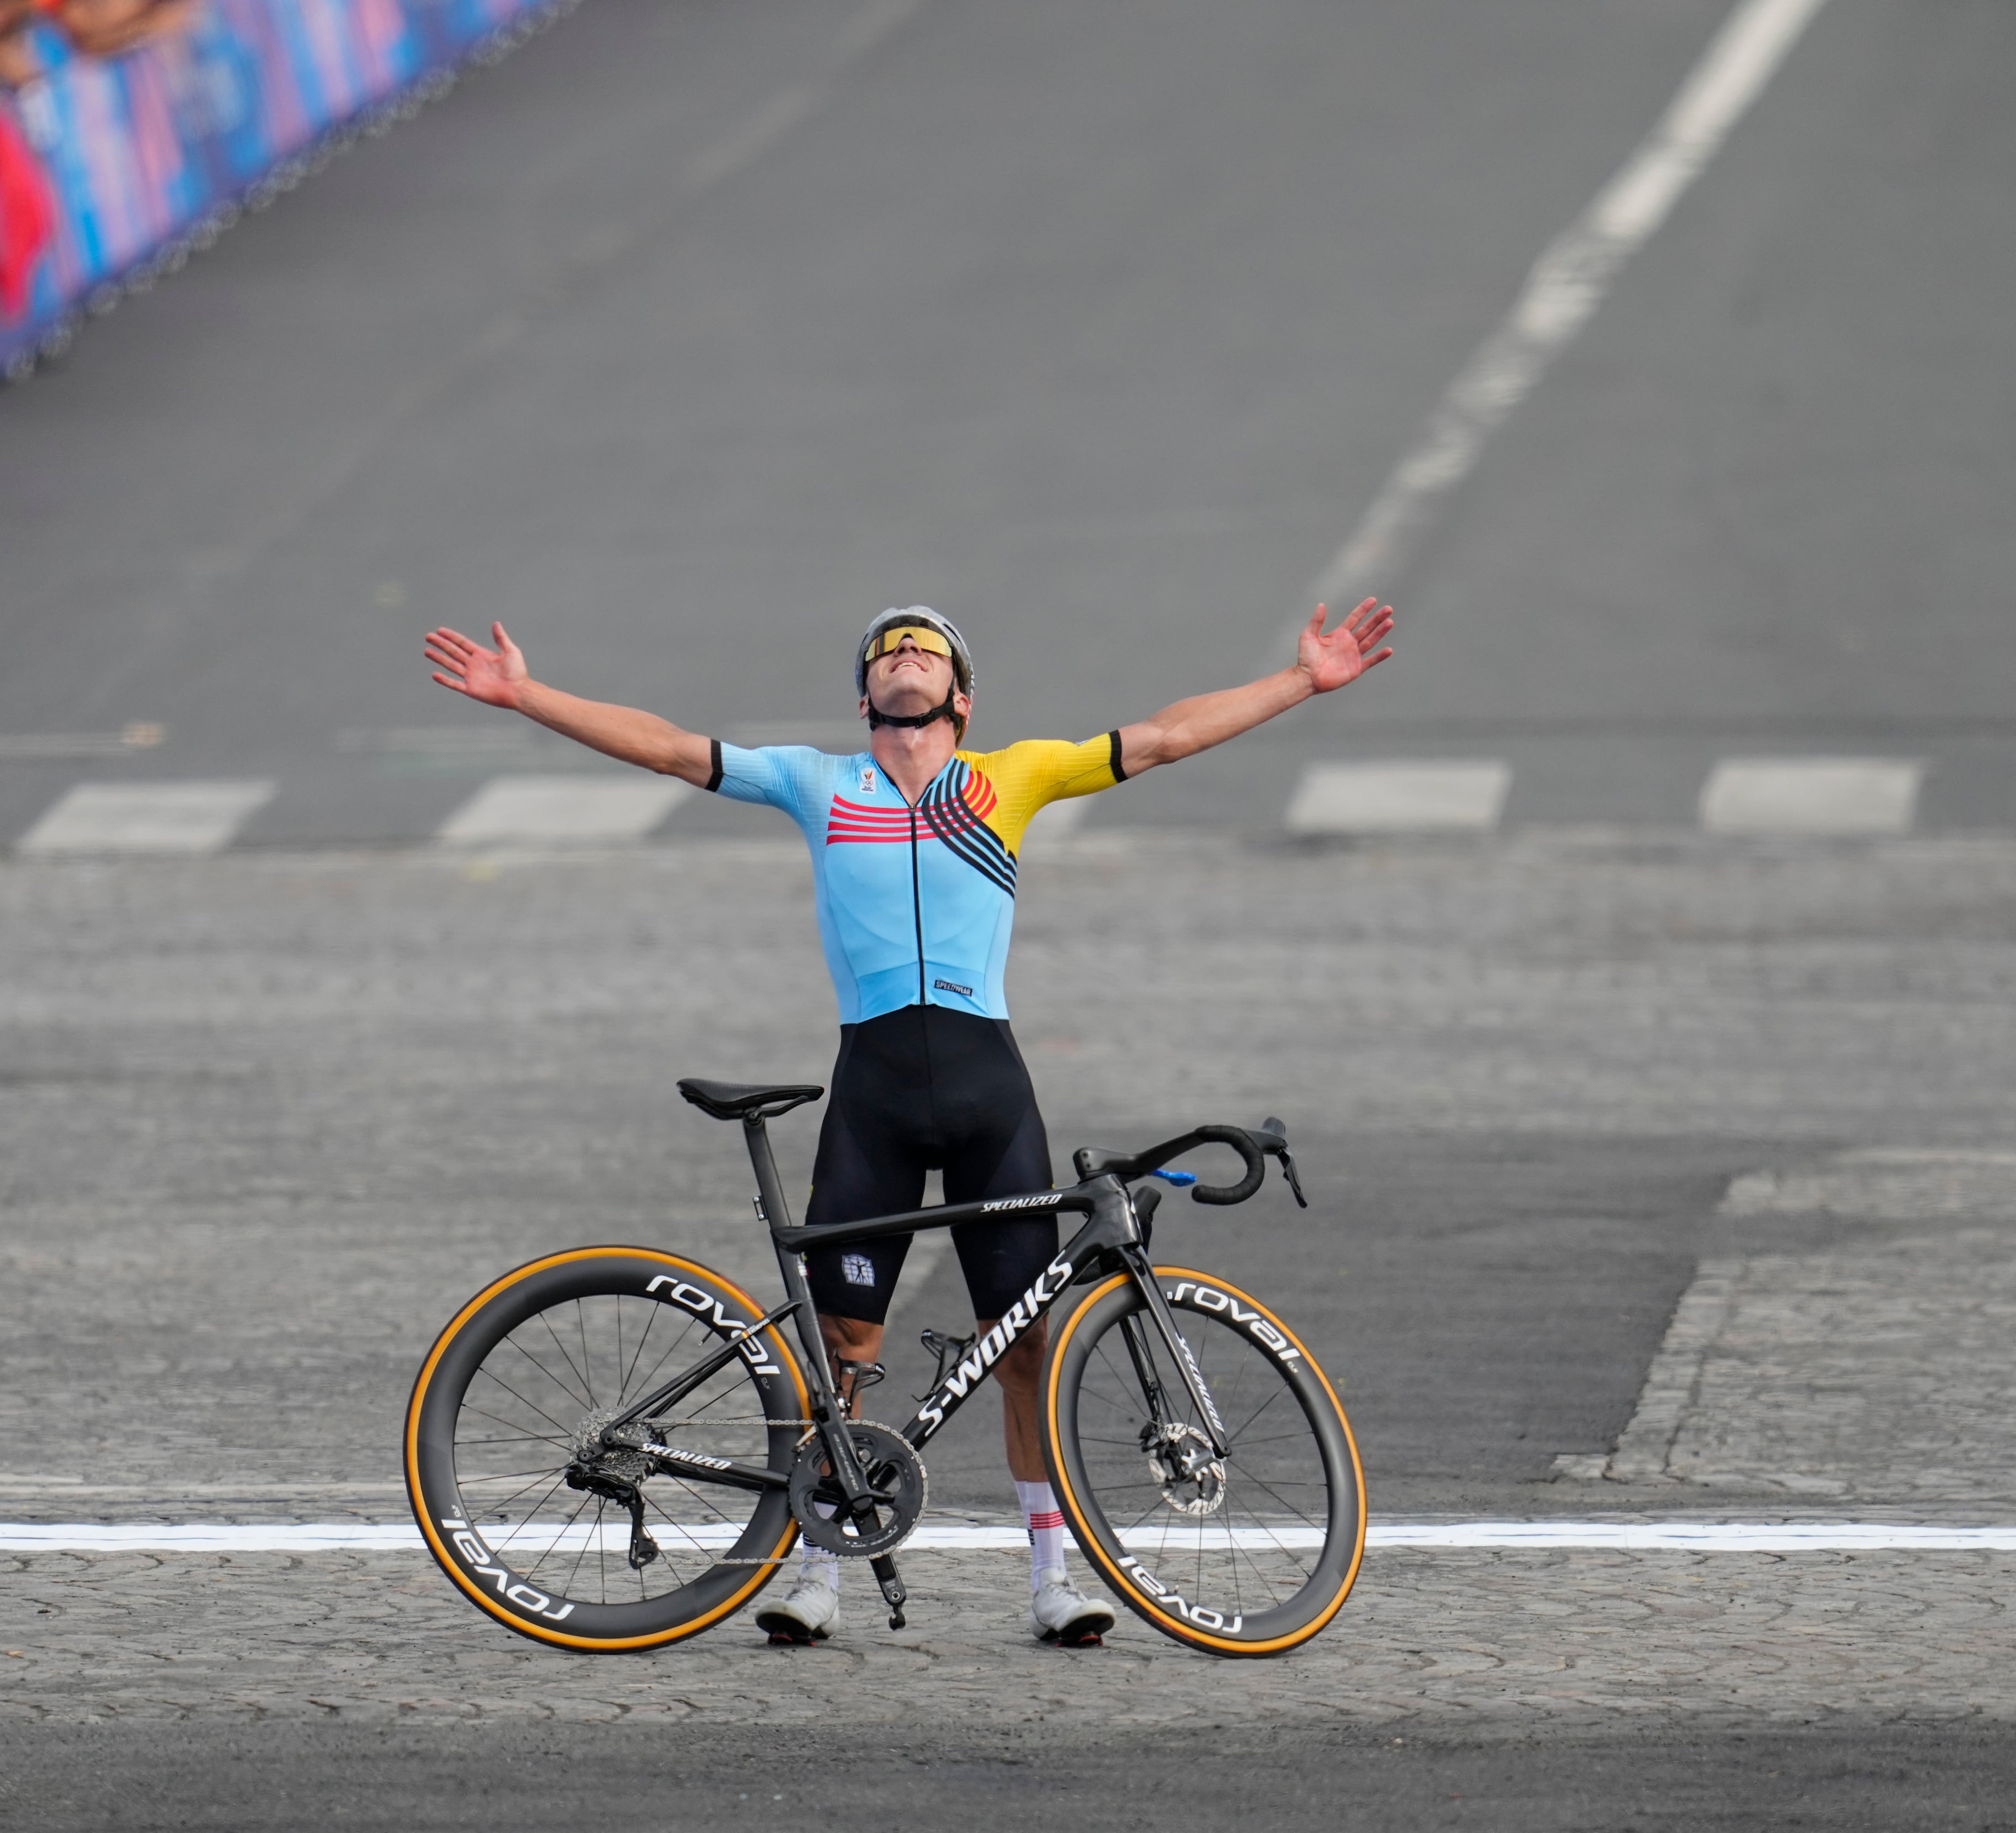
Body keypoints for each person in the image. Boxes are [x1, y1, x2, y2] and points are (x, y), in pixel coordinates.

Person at [424, 598, 1395, 1646]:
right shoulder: (817, 782)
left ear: (960, 697)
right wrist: (524, 694)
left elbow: (1163, 737)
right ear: (865, 695)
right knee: (844, 1343)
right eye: (886, 651)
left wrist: (1300, 682)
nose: (904, 659)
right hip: (874, 1090)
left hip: (990, 1090)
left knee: (1023, 1346)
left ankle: (1050, 1582)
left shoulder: (1013, 777)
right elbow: (668, 748)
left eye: (925, 650)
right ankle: (819, 1572)